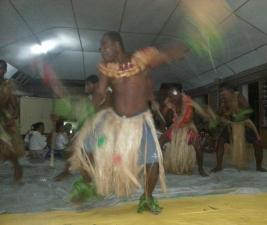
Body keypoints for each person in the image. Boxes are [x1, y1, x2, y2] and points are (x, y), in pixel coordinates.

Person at [69, 31, 188, 214]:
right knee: (87, 148)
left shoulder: (141, 59)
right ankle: (87, 184)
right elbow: (100, 94)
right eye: (101, 47)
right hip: (114, 124)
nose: (102, 50)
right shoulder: (106, 68)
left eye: (105, 45)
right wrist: (90, 106)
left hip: (140, 123)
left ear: (117, 45)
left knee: (154, 162)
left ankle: (147, 199)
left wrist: (177, 50)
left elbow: (163, 56)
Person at [54, 75, 111, 181]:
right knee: (72, 148)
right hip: (89, 128)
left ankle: (94, 178)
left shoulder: (106, 94)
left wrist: (92, 107)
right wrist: (61, 117)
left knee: (93, 154)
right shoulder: (88, 98)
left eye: (88, 84)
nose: (85, 87)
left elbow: (107, 110)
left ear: (95, 85)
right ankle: (67, 171)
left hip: (103, 130)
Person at [211, 84, 267, 172]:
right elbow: (218, 114)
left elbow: (248, 110)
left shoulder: (239, 97)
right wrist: (217, 119)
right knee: (220, 142)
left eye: (224, 94)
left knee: (258, 143)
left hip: (244, 125)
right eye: (221, 94)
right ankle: (218, 166)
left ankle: (259, 167)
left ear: (230, 92)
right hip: (230, 126)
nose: (222, 96)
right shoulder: (223, 103)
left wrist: (237, 117)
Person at [159, 86, 210, 176]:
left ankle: (201, 169)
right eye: (170, 95)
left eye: (174, 94)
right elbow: (162, 116)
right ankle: (158, 166)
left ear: (181, 93)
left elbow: (203, 113)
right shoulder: (170, 103)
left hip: (188, 128)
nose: (172, 97)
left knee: (198, 147)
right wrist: (165, 108)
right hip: (175, 128)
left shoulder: (189, 102)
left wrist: (207, 117)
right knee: (159, 142)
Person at [0, 59, 24, 182]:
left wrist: (14, 115)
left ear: (5, 71)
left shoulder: (8, 86)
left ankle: (17, 166)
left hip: (4, 119)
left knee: (7, 148)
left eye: (0, 69)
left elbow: (14, 105)